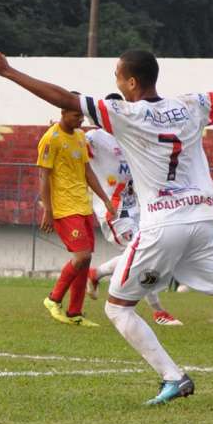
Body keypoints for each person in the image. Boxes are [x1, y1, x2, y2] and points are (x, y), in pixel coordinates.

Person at [0, 27, 213, 408]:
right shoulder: (191, 104)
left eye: (116, 76)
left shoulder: (125, 113)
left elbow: (66, 98)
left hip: (163, 223)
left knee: (117, 307)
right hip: (203, 221)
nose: (115, 82)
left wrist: (10, 72)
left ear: (130, 82)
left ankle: (173, 377)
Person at [86, 97, 183, 326]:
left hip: (138, 209)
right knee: (143, 256)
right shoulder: (94, 138)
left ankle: (96, 273)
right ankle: (158, 311)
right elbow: (71, 153)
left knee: (148, 255)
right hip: (115, 211)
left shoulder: (128, 137)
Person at [36, 99, 115, 327]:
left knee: (86, 257)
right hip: (63, 208)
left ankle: (74, 313)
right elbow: (44, 176)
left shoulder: (80, 136)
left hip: (82, 205)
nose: (79, 121)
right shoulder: (51, 139)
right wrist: (48, 210)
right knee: (81, 256)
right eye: (75, 116)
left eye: (81, 117)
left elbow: (87, 170)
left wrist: (105, 199)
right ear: (62, 112)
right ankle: (53, 298)